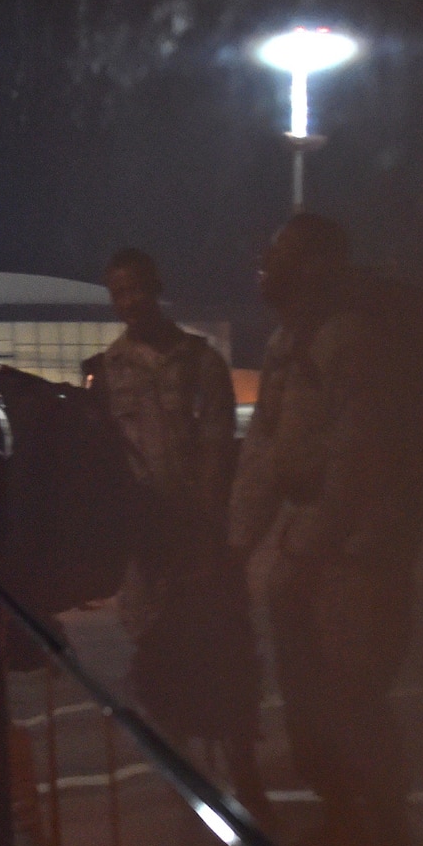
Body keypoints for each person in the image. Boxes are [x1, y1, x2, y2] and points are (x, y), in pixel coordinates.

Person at [230, 214, 420, 831]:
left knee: (352, 686)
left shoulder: (351, 342)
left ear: (313, 265)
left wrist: (314, 545)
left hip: (358, 549)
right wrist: (237, 541)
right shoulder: (289, 344)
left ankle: (386, 822)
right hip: (308, 540)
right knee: (305, 683)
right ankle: (341, 802)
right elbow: (264, 450)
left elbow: (357, 459)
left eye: (283, 252)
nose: (269, 262)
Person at [87, 248, 261, 806]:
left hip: (199, 536)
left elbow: (217, 449)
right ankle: (183, 773)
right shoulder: (106, 371)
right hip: (146, 544)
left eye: (138, 290)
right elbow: (108, 461)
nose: (130, 303)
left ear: (157, 288)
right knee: (155, 654)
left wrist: (209, 536)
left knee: (226, 651)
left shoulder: (199, 361)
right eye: (119, 294)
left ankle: (244, 765)